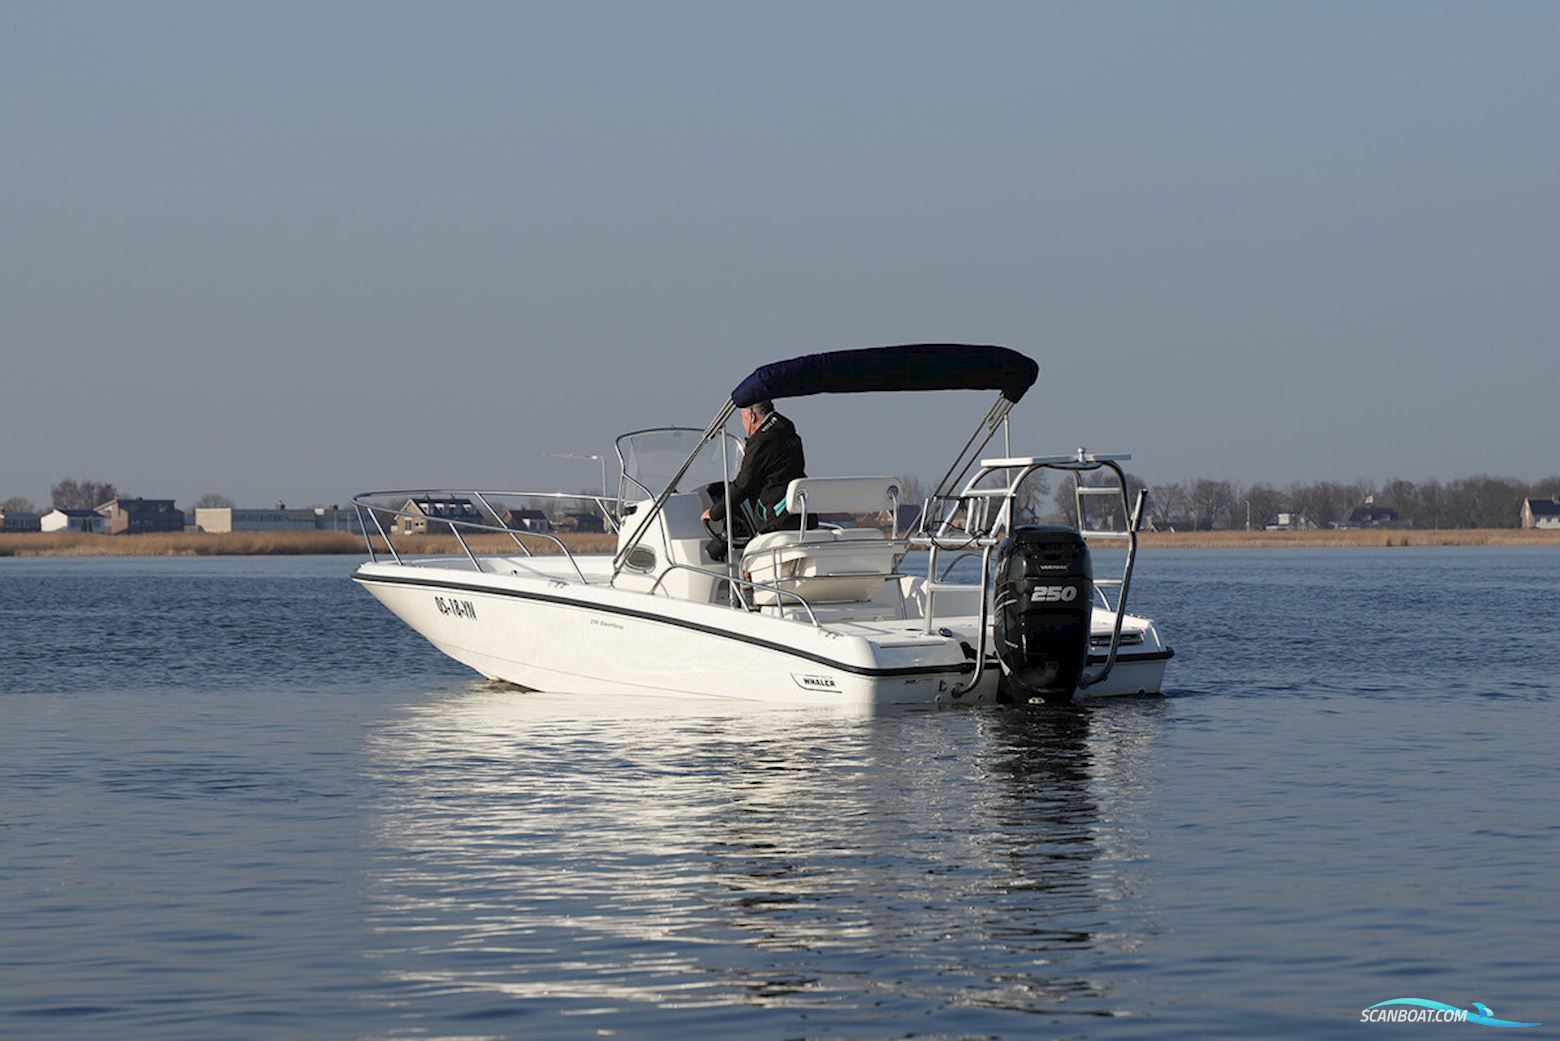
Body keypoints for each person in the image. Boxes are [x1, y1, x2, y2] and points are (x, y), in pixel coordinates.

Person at [701, 399, 805, 561]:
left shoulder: (761, 441)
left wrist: (715, 512)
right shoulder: (788, 432)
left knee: (748, 561)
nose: (743, 424)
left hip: (777, 520)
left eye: (742, 418)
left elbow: (743, 484)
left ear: (751, 417)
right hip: (801, 516)